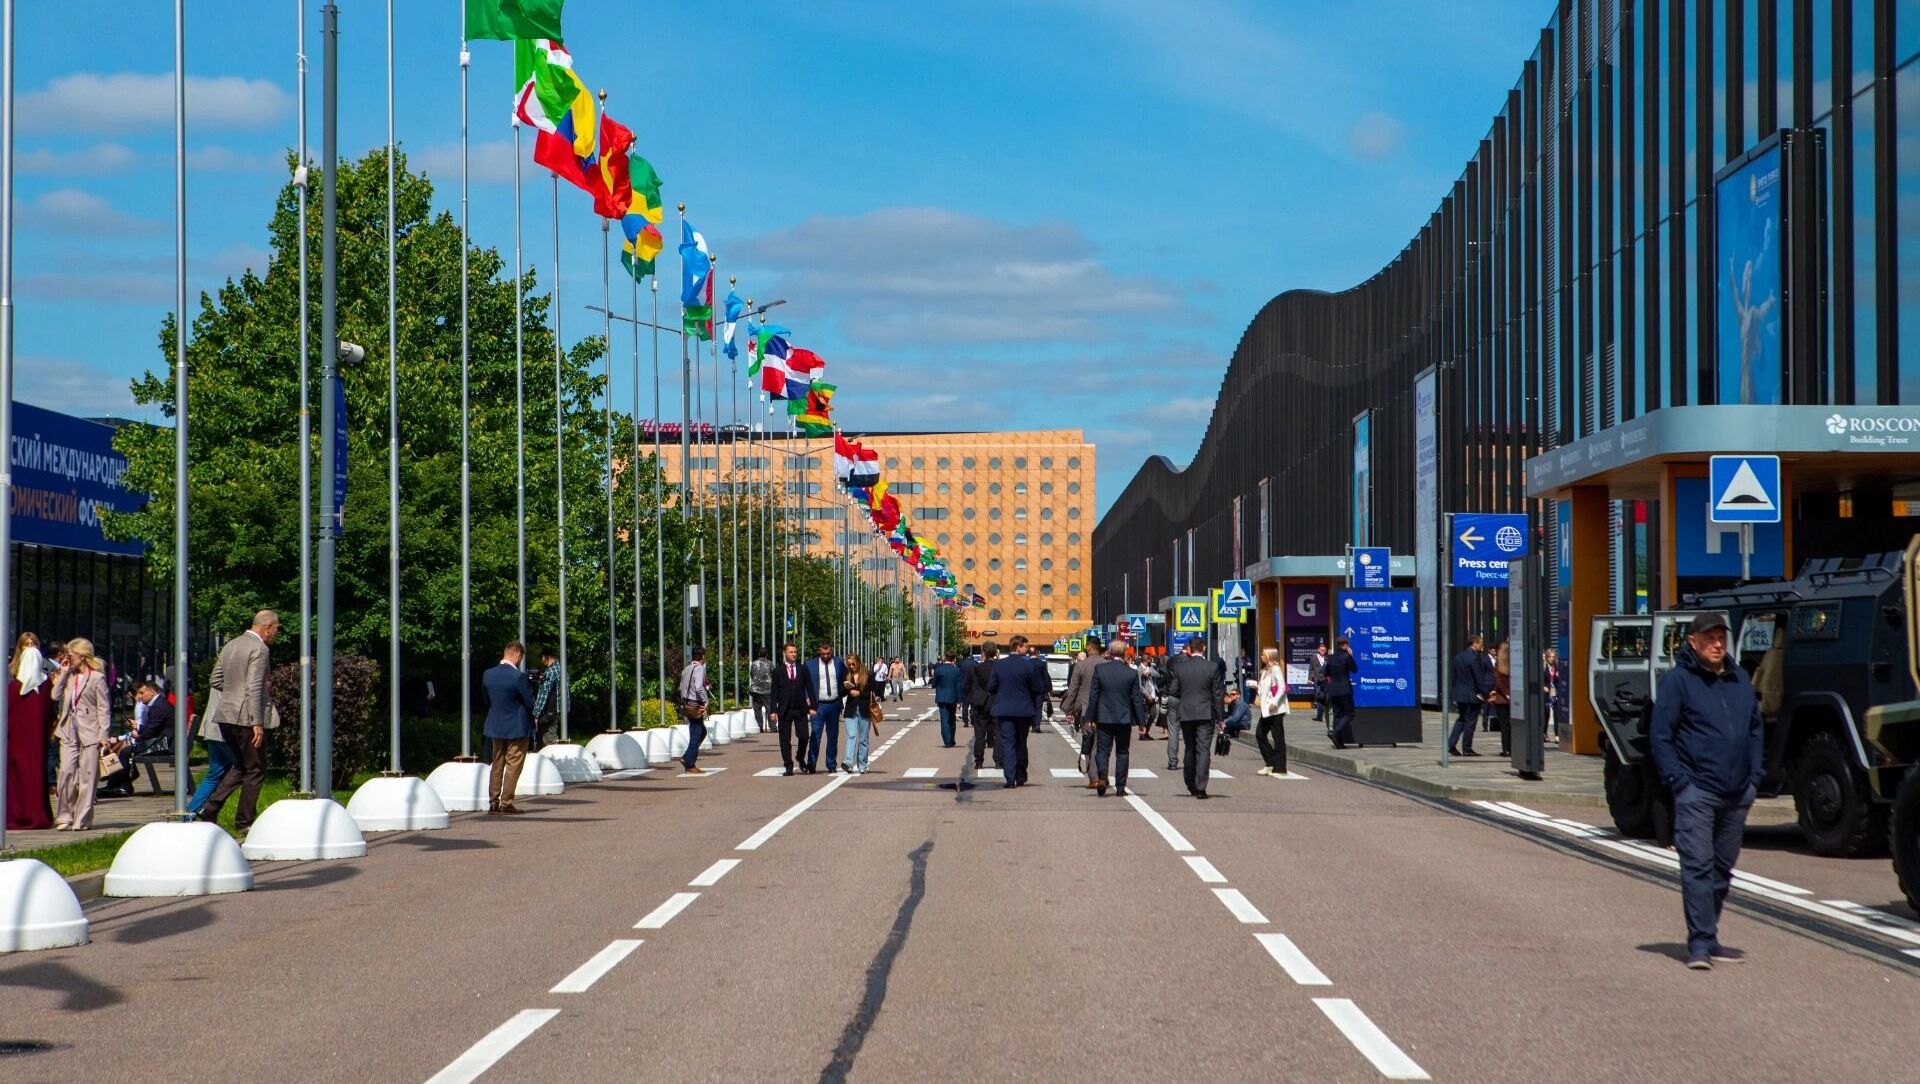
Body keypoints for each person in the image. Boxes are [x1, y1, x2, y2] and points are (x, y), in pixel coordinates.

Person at [1649, 612, 1764, 971]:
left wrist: (1754, 778)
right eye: (1709, 638)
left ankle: (1709, 934)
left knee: (1722, 868)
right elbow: (1660, 736)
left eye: (1721, 638)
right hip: (1696, 791)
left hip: (1737, 793)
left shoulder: (1739, 679)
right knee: (1697, 866)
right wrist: (1679, 782)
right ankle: (1699, 943)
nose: (1717, 644)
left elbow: (1755, 729)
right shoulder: (1678, 682)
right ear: (1692, 642)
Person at [196, 612, 281, 833]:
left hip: (225, 715)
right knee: (256, 769)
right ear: (268, 627)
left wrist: (234, 693)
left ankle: (209, 809)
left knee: (241, 766)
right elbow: (254, 687)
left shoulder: (231, 644)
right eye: (276, 629)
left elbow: (215, 679)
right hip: (247, 719)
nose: (276, 633)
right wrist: (256, 722)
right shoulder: (260, 649)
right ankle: (245, 821)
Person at [49, 638, 112, 831]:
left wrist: (104, 734)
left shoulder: (97, 678)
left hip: (90, 731)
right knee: (66, 772)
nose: (68, 658)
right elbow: (55, 695)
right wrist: (64, 672)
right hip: (68, 729)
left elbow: (103, 708)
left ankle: (82, 819)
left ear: (82, 656)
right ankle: (64, 816)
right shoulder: (69, 675)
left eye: (71, 655)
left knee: (88, 776)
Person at [1084, 639, 1145, 797]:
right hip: (1124, 719)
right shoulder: (1131, 673)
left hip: (1104, 718)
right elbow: (1137, 699)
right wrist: (1141, 722)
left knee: (1102, 751)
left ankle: (1102, 776)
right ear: (1125, 653)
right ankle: (1120, 787)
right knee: (1122, 752)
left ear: (1109, 653)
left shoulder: (1100, 670)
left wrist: (1090, 717)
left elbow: (1094, 696)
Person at [5, 633, 53, 831]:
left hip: (36, 740)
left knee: (34, 772)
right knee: (17, 774)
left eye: (34, 644)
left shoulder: (45, 685)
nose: (31, 648)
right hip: (16, 739)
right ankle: (17, 814)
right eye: (27, 645)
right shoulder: (12, 684)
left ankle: (35, 814)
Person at [482, 641, 537, 815]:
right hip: (517, 727)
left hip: (496, 725)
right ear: (518, 654)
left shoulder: (488, 674)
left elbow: (486, 700)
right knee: (513, 764)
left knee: (497, 763)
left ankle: (493, 802)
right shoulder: (518, 677)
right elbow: (530, 702)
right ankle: (506, 803)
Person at [987, 636, 1047, 787]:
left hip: (1004, 710)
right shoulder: (1028, 666)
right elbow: (1037, 687)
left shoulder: (999, 665)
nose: (1027, 650)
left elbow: (991, 686)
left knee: (1008, 743)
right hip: (1023, 710)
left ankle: (1009, 778)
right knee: (1021, 742)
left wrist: (1002, 693)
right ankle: (1020, 775)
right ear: (1018, 647)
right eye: (1025, 647)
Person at [1166, 638, 1222, 798]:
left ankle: (1190, 782)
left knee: (1190, 747)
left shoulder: (1181, 667)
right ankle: (1201, 787)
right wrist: (1221, 718)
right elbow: (1217, 695)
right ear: (1204, 648)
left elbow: (1173, 690)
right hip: (1205, 713)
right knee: (1203, 749)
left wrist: (1186, 695)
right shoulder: (1212, 667)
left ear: (1189, 650)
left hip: (1186, 712)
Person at [99, 681, 173, 797]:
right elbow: (153, 728)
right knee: (126, 750)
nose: (139, 696)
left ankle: (118, 786)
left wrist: (138, 737)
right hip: (164, 742)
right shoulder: (159, 703)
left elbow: (152, 730)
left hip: (164, 745)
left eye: (142, 693)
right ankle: (119, 785)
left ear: (152, 692)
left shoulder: (158, 706)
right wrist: (139, 730)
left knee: (125, 752)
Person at [1064, 635, 1104, 787]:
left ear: (1088, 647)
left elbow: (1073, 689)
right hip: (1105, 710)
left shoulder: (1081, 666)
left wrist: (1068, 710)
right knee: (1103, 744)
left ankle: (1094, 778)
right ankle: (1103, 775)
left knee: (1089, 743)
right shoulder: (1107, 664)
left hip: (1086, 710)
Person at [803, 641, 848, 774]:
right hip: (818, 705)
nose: (826, 656)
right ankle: (811, 764)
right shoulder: (810, 664)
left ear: (831, 651)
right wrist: (807, 697)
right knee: (815, 735)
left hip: (834, 704)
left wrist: (844, 692)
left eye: (828, 653)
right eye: (823, 654)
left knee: (833, 736)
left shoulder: (839, 663)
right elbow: (804, 683)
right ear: (819, 651)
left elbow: (844, 679)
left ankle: (831, 764)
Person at [768, 643, 812, 775]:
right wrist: (773, 710)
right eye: (791, 652)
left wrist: (813, 706)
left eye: (795, 652)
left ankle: (800, 756)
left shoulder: (803, 669)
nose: (794, 654)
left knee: (804, 736)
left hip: (800, 708)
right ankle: (788, 765)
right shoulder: (778, 671)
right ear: (784, 653)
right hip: (784, 709)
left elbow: (810, 688)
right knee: (784, 739)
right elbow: (774, 692)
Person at [1447, 634, 1492, 757]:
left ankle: (1451, 744)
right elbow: (1479, 679)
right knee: (1470, 722)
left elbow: (1455, 676)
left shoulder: (1459, 657)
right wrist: (1486, 694)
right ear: (1475, 644)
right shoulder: (1475, 658)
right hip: (1471, 696)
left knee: (1461, 720)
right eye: (1481, 643)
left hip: (1460, 694)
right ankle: (1467, 748)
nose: (1482, 646)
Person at [1253, 646, 1291, 777]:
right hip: (1266, 709)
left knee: (1278, 737)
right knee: (1260, 734)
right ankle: (1270, 762)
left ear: (1270, 656)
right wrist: (1255, 685)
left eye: (1263, 654)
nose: (1261, 657)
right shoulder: (1265, 671)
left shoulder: (1275, 669)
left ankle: (1280, 767)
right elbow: (1263, 687)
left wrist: (1274, 702)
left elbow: (1281, 687)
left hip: (1275, 709)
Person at [677, 646, 712, 775]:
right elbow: (698, 687)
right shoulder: (700, 668)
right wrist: (706, 701)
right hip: (695, 704)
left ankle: (687, 757)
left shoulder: (687, 668)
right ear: (702, 656)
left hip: (686, 703)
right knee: (697, 732)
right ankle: (689, 762)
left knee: (701, 731)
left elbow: (680, 687)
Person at [966, 645, 999, 771]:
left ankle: (978, 761)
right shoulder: (999, 667)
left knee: (979, 733)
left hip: (981, 702)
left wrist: (972, 704)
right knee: (998, 733)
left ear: (983, 653)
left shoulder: (978, 668)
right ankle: (998, 760)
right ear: (995, 653)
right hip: (996, 701)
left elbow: (974, 687)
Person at [1323, 637, 1360, 749]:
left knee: (1338, 714)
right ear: (1346, 645)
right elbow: (1354, 669)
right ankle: (1334, 733)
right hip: (1344, 689)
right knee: (1349, 713)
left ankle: (1338, 742)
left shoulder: (1331, 658)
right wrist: (1351, 655)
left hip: (1333, 690)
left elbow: (1326, 673)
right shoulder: (1346, 656)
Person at [842, 653, 876, 774]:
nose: (851, 667)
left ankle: (862, 765)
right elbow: (842, 693)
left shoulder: (868, 675)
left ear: (858, 662)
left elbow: (873, 692)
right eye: (849, 665)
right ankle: (848, 763)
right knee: (851, 736)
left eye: (853, 664)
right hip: (850, 710)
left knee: (863, 739)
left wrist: (859, 693)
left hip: (864, 710)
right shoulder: (847, 675)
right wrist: (846, 688)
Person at [531, 648, 564, 747]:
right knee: (552, 738)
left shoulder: (550, 672)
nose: (541, 660)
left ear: (546, 657)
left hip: (549, 712)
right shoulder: (561, 670)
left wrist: (536, 714)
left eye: (542, 657)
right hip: (558, 711)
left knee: (548, 741)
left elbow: (543, 694)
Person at [931, 652, 964, 748]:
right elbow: (959, 686)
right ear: (954, 659)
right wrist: (959, 701)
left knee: (944, 720)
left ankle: (947, 741)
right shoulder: (957, 670)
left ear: (945, 658)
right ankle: (952, 739)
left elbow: (933, 684)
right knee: (952, 719)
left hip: (941, 697)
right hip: (953, 697)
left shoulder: (938, 669)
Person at [1488, 641, 1513, 757]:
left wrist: (1505, 693)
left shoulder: (1498, 664)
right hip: (1512, 698)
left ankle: (1506, 749)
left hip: (1501, 699)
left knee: (1504, 725)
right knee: (1512, 724)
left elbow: (1498, 682)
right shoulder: (1513, 664)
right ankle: (1512, 748)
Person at [1543, 648, 1568, 744]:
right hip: (1546, 693)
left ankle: (1557, 735)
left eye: (1553, 657)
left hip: (1555, 693)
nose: (1551, 659)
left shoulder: (1557, 667)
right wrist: (1543, 686)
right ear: (1546, 657)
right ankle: (1544, 733)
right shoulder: (1543, 667)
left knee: (1557, 714)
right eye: (1550, 657)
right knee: (1546, 714)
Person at [749, 647, 774, 734]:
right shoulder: (770, 663)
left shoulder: (754, 663)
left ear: (759, 654)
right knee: (770, 708)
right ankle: (772, 727)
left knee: (757, 709)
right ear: (766, 654)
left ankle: (759, 727)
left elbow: (752, 674)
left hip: (756, 690)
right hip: (767, 689)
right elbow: (773, 674)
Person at [1308, 642, 1330, 729]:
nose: (1322, 651)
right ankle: (1319, 716)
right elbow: (1311, 669)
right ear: (1318, 650)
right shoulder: (1313, 657)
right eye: (1321, 649)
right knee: (1318, 696)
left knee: (1326, 697)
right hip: (1317, 680)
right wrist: (1310, 678)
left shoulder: (1328, 657)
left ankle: (1324, 714)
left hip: (1326, 681)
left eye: (1324, 650)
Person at [956, 650, 979, 730]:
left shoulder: (960, 664)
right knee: (973, 705)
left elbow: (958, 675)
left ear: (962, 655)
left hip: (964, 686)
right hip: (974, 686)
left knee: (965, 705)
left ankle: (965, 721)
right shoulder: (975, 663)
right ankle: (973, 720)